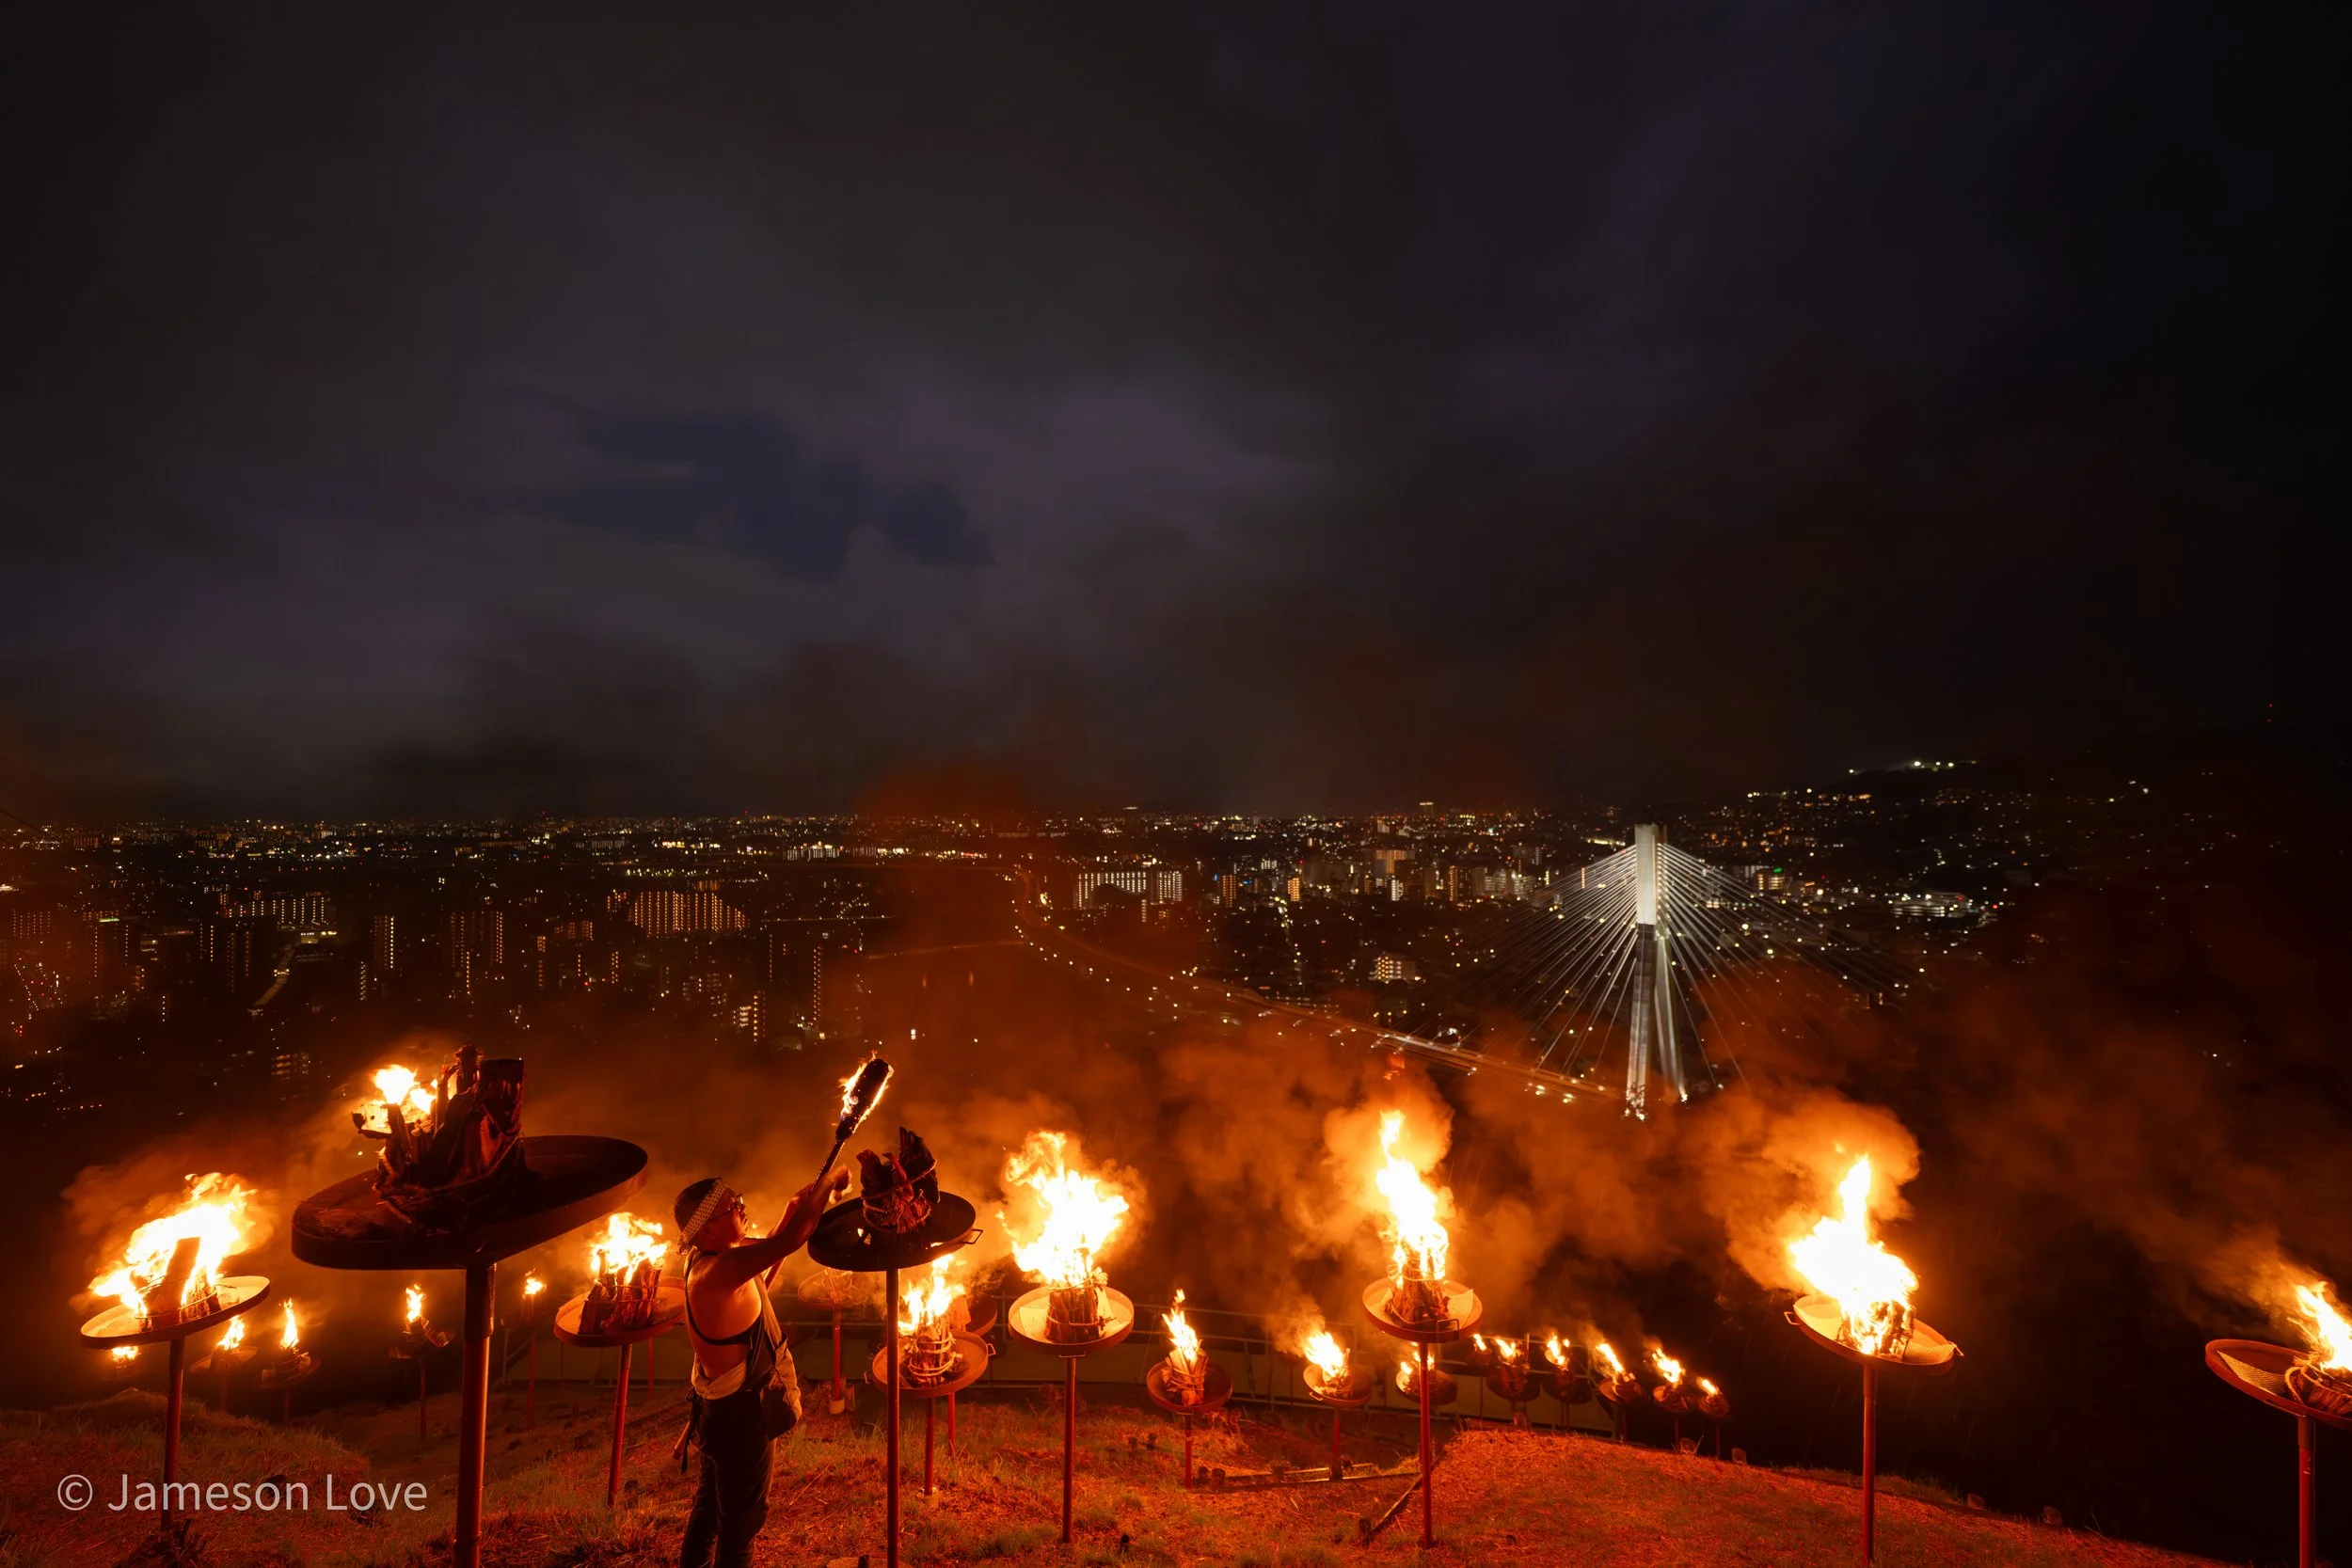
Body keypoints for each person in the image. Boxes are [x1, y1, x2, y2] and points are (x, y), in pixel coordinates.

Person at [673, 1168, 848, 1568]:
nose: (742, 1208)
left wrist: (793, 1205)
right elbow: (792, 1240)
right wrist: (825, 1187)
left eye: (739, 1201)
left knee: (709, 1511)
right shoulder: (718, 1272)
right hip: (739, 1418)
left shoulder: (714, 1258)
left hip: (720, 1415)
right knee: (739, 1526)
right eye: (732, 1208)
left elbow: (772, 1244)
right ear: (706, 1233)